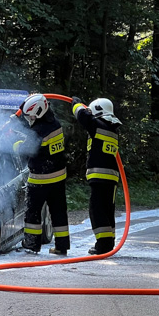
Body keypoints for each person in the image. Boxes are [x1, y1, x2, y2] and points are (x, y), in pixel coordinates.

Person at [15, 93, 70, 255]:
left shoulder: (39, 131)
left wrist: (15, 145)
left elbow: (26, 151)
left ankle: (32, 244)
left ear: (38, 112)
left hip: (40, 179)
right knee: (59, 212)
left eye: (31, 116)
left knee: (33, 212)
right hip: (58, 177)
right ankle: (62, 246)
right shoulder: (55, 123)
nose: (29, 119)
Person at [71, 97, 122, 255]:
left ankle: (103, 245)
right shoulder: (112, 128)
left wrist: (76, 104)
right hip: (112, 177)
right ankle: (108, 242)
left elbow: (82, 117)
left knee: (97, 210)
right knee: (107, 210)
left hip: (99, 175)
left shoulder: (98, 125)